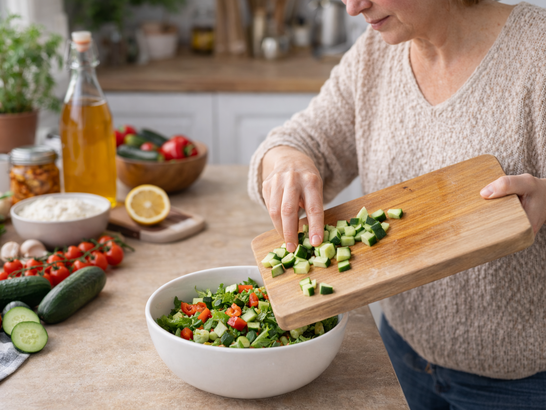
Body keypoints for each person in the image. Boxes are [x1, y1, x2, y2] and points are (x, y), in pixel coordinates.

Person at [248, 0, 546, 408]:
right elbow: (301, 140)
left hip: (522, 383)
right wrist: (284, 158)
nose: (354, 7)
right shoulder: (374, 54)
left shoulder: (538, 50)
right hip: (400, 355)